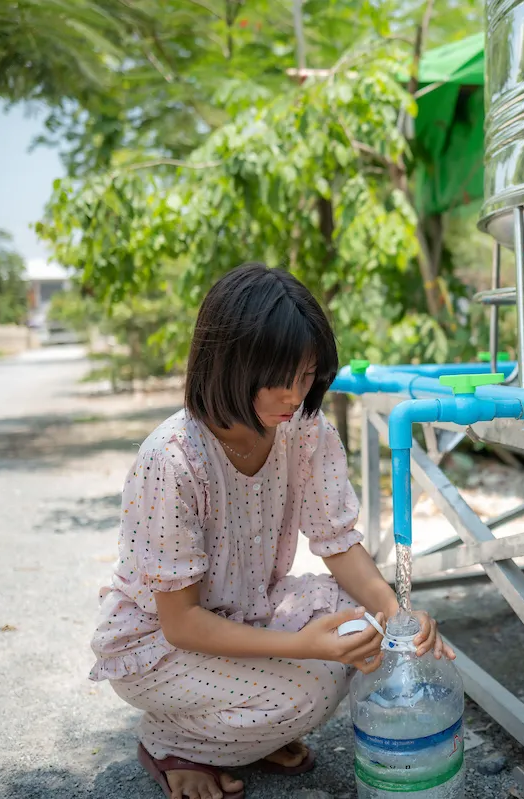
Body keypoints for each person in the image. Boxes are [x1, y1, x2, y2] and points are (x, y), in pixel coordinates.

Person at [89, 263, 453, 799]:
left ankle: (247, 734)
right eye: (279, 379)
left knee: (366, 633)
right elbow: (182, 622)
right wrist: (301, 645)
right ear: (227, 363)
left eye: (306, 377)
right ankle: (173, 743)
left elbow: (338, 540)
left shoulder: (303, 428)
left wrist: (398, 615)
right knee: (311, 692)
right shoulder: (172, 459)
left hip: (250, 608)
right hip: (161, 646)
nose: (293, 396)